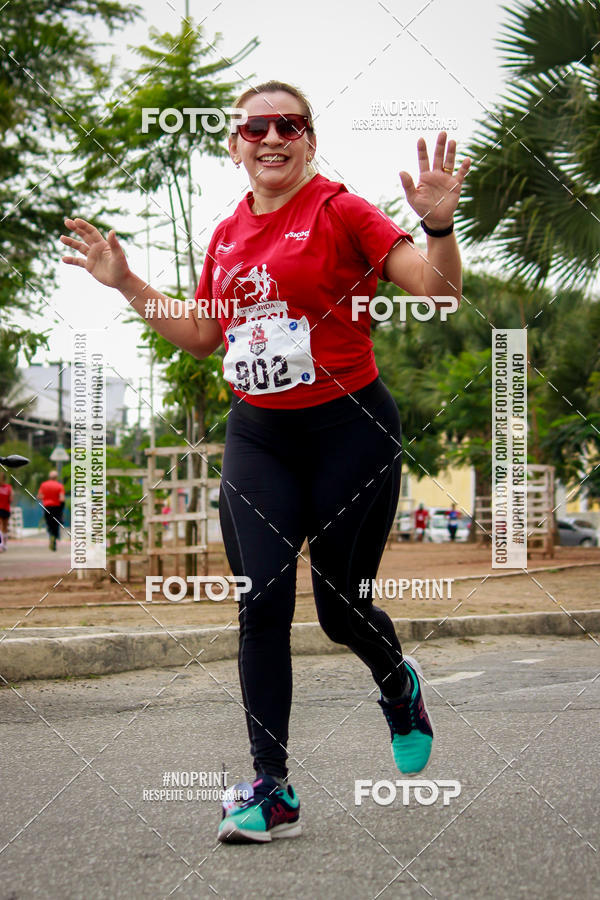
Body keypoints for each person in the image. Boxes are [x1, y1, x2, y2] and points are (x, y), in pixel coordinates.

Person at [60, 80, 470, 844]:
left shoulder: (341, 211)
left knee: (341, 608)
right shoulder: (226, 235)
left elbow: (438, 291)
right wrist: (124, 283)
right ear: (235, 143)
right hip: (260, 435)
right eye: (256, 126)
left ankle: (396, 683)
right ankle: (271, 788)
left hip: (351, 429)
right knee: (262, 601)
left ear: (310, 140)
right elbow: (201, 335)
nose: (272, 136)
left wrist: (439, 223)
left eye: (291, 124)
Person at [38, 471, 65, 551]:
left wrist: (46, 497)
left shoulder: (44, 485)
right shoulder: (59, 486)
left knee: (49, 523)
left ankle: (51, 536)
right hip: (56, 507)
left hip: (47, 507)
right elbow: (62, 498)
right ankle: (54, 538)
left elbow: (39, 496)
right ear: (56, 477)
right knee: (55, 524)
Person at [0, 471, 13, 552]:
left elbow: (11, 499)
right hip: (4, 509)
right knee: (3, 527)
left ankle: (2, 545)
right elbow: (11, 499)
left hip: (3, 509)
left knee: (3, 527)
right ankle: (3, 544)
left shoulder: (8, 487)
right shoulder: (9, 487)